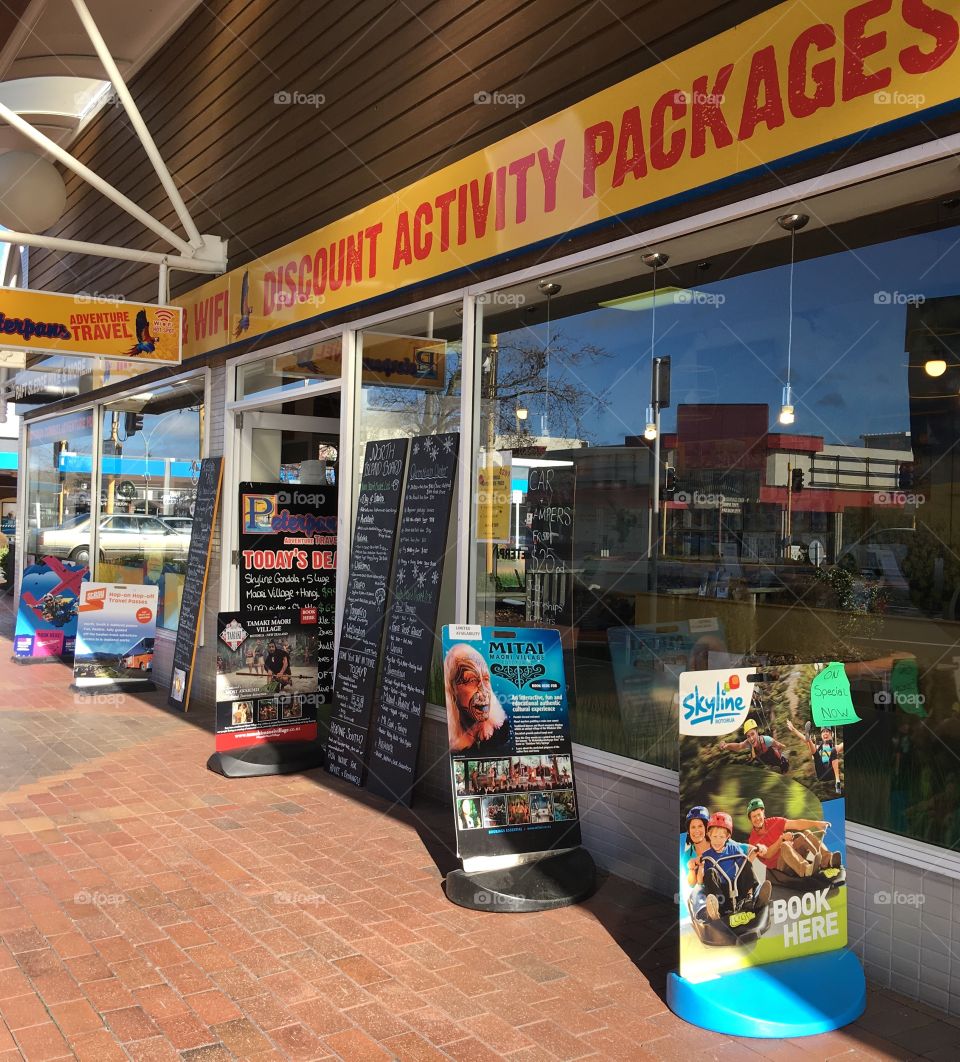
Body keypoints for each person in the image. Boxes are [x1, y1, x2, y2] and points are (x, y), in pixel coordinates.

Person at [697, 811, 770, 920]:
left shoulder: (733, 849)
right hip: (720, 894)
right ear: (709, 835)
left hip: (735, 888)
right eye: (715, 836)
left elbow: (745, 866)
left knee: (746, 864)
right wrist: (701, 867)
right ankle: (716, 909)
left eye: (721, 837)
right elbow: (700, 882)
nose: (717, 840)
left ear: (727, 837)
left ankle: (750, 899)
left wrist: (757, 850)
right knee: (710, 872)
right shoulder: (706, 856)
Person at [746, 797, 841, 877]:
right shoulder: (753, 839)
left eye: (759, 815)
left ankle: (827, 859)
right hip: (780, 867)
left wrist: (816, 823)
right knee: (784, 845)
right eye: (754, 816)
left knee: (806, 834)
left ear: (763, 813)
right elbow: (767, 855)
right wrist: (781, 839)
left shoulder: (774, 821)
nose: (757, 819)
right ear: (750, 819)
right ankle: (806, 870)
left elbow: (797, 824)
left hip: (793, 854)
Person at [444, 642, 511, 753]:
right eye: (472, 680)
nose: (484, 693)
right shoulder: (453, 745)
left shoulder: (502, 732)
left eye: (486, 679)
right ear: (453, 688)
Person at [786, 719, 842, 794]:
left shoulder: (835, 747)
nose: (825, 734)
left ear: (831, 734)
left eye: (827, 731)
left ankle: (837, 782)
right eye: (823, 732)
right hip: (821, 772)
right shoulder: (818, 746)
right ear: (821, 735)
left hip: (831, 772)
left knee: (834, 750)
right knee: (814, 751)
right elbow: (803, 738)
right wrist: (793, 729)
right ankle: (809, 739)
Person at [719, 718, 789, 773]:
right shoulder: (748, 743)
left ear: (757, 732)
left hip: (779, 760)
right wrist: (727, 745)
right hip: (769, 765)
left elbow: (779, 746)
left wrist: (784, 750)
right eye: (748, 736)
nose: (751, 738)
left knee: (784, 766)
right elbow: (739, 746)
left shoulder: (767, 740)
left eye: (752, 734)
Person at [684, 805, 711, 887]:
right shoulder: (688, 855)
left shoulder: (717, 842)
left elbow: (749, 849)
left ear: (706, 828)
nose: (696, 831)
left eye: (700, 826)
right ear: (688, 831)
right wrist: (691, 870)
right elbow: (691, 885)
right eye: (693, 827)